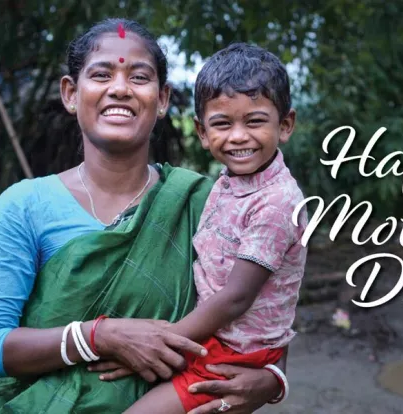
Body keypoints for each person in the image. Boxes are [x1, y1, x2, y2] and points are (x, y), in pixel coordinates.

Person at [0, 19, 287, 414]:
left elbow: (268, 305)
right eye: (102, 74)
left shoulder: (209, 202)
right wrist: (98, 337)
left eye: (139, 77)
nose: (120, 88)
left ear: (163, 98)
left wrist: (273, 379)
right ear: (71, 93)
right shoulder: (25, 205)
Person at [114, 43, 308, 413]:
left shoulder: (277, 201)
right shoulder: (227, 182)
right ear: (202, 133)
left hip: (232, 353)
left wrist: (164, 341)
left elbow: (236, 298)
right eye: (222, 124)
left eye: (254, 121)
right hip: (216, 335)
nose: (238, 136)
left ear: (285, 125)